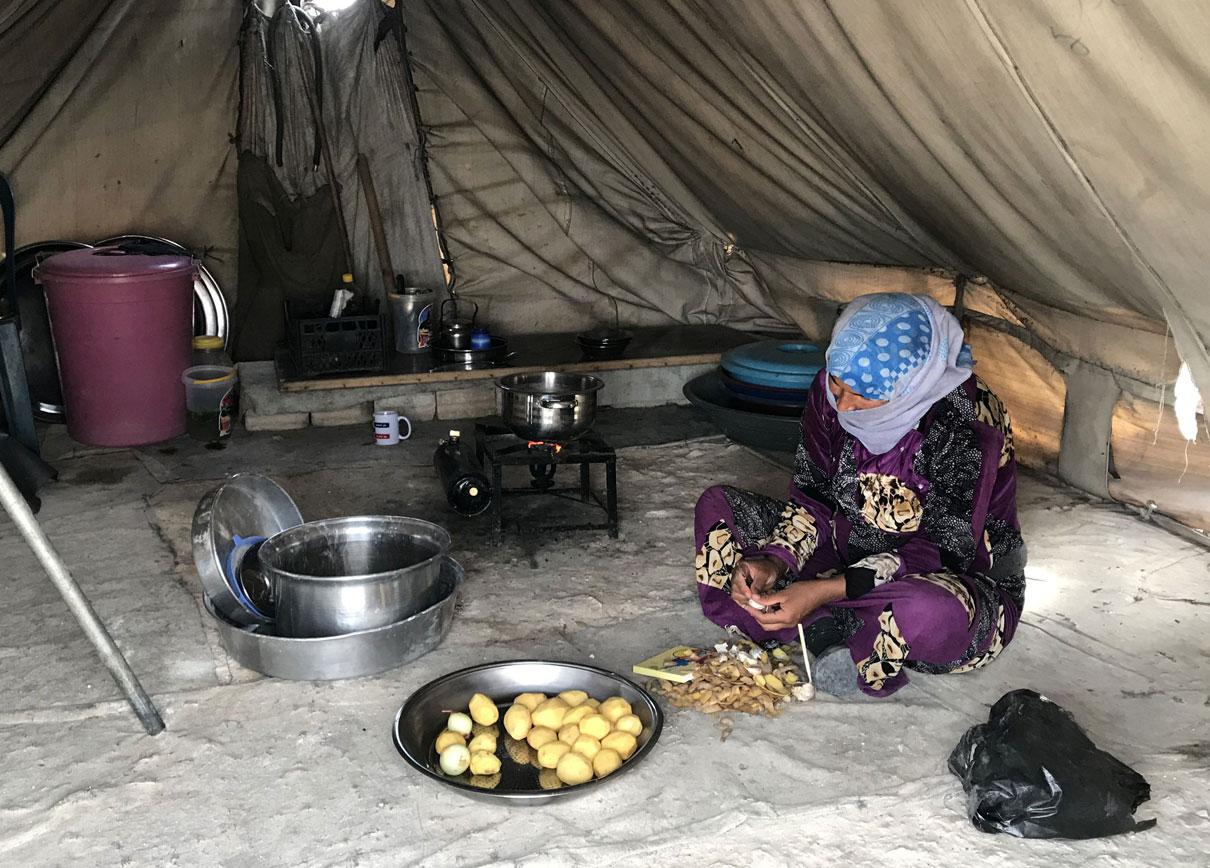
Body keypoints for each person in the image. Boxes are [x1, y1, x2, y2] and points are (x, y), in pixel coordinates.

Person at [693, 292, 1025, 697]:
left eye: (863, 395)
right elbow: (812, 495)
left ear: (909, 385)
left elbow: (946, 550)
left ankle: (819, 623)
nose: (844, 406)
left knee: (929, 612)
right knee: (718, 508)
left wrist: (823, 589)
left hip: (949, 575)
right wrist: (775, 561)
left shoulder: (966, 420)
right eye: (836, 382)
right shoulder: (832, 392)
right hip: (844, 547)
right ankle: (827, 626)